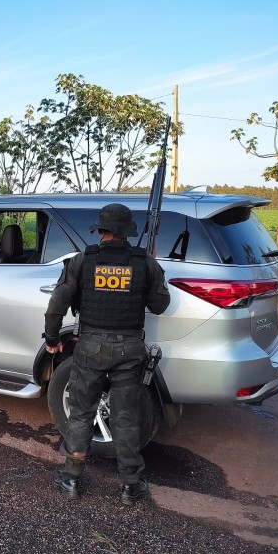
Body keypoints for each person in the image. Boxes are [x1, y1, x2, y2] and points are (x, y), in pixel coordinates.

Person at [44, 203, 171, 505]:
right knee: (126, 417)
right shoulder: (145, 263)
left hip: (90, 347)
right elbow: (160, 305)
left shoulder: (82, 260)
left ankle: (72, 478)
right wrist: (149, 272)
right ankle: (130, 485)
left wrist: (52, 339)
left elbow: (57, 304)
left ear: (101, 231)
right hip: (129, 348)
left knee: (82, 411)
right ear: (127, 232)